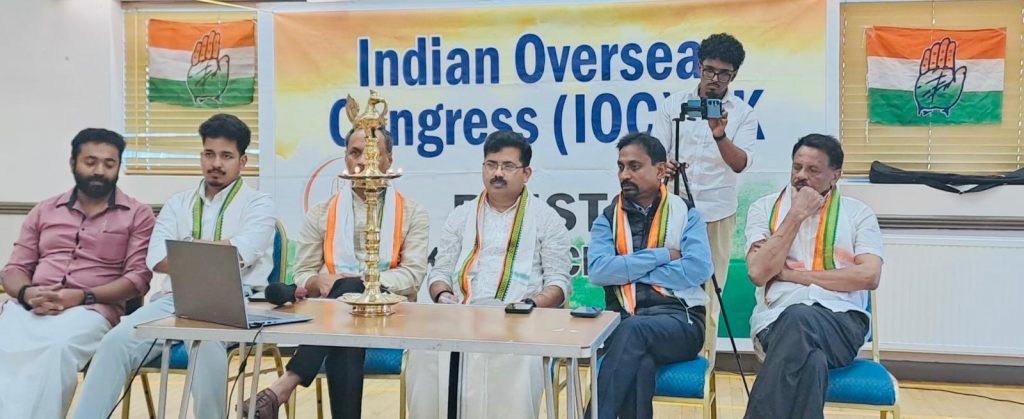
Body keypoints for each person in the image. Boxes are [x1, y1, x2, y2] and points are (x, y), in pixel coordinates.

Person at [73, 114, 275, 419]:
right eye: (209, 154)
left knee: (206, 343)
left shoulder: (259, 204)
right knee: (115, 341)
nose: (215, 163)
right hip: (173, 300)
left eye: (226, 156)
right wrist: (216, 251)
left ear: (242, 161)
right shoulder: (178, 203)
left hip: (235, 302)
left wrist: (186, 250)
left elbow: (240, 254)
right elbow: (157, 259)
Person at [245, 127, 430, 419]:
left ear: (388, 160)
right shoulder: (321, 212)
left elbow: (413, 275)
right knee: (345, 325)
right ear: (345, 158)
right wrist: (316, 280)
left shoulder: (413, 213)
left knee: (348, 294)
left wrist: (361, 285)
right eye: (355, 153)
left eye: (372, 154)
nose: (363, 162)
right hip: (335, 314)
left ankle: (284, 385)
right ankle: (282, 388)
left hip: (390, 315)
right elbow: (303, 272)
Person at [406, 130, 571, 419]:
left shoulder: (547, 219)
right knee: (424, 351)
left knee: (516, 359)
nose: (498, 173)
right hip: (461, 316)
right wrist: (443, 295)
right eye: (491, 165)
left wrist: (529, 304)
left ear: (526, 173)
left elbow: (559, 283)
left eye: (508, 166)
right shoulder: (461, 215)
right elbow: (439, 272)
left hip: (517, 322)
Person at [0, 128, 155, 419]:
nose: (99, 171)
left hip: (91, 310)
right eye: (90, 161)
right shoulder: (45, 210)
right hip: (31, 305)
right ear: (73, 163)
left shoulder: (137, 214)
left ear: (119, 167)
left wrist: (82, 296)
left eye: (109, 164)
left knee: (56, 349)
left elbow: (137, 279)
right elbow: (14, 269)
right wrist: (27, 292)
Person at [743, 134, 883, 418]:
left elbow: (869, 275)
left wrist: (794, 277)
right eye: (797, 167)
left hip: (841, 324)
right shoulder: (764, 208)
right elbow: (758, 272)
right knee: (811, 362)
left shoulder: (858, 214)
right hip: (774, 323)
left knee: (799, 317)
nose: (801, 176)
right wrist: (795, 215)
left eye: (813, 170)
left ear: (835, 175)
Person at [586, 132, 713, 419]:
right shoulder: (607, 219)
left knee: (634, 332)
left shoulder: (686, 213)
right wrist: (663, 255)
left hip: (680, 322)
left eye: (634, 166)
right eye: (621, 167)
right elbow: (600, 271)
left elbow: (697, 269)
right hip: (624, 322)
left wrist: (627, 270)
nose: (624, 175)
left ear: (660, 170)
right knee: (639, 364)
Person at [651, 32, 757, 291]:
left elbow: (740, 163)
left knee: (711, 289)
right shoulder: (674, 105)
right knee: (668, 286)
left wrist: (719, 134)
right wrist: (664, 167)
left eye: (723, 73)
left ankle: (708, 322)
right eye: (709, 70)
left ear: (733, 75)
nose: (714, 79)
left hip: (717, 211)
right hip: (673, 208)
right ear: (699, 68)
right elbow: (653, 154)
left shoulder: (743, 113)